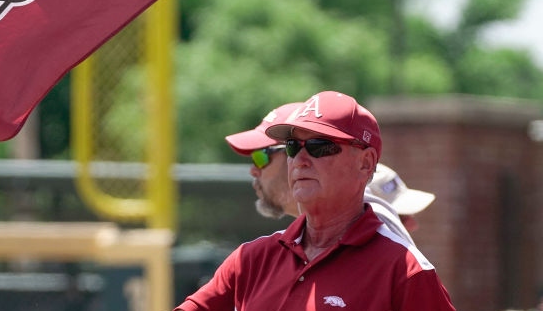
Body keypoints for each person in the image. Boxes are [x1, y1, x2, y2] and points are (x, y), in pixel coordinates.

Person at [178, 91, 455, 310]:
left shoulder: (405, 271)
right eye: (292, 147)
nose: (299, 160)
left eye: (318, 146)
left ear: (366, 163)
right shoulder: (251, 260)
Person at [225, 104, 436, 245]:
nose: (253, 169)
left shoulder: (393, 261)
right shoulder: (269, 254)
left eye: (261, 156)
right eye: (293, 147)